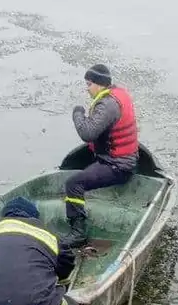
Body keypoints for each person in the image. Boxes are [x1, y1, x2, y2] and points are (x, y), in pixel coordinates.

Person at [62, 63, 139, 248]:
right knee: (82, 173)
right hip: (121, 159)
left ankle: (78, 232)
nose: (87, 89)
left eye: (89, 84)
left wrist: (78, 113)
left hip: (118, 167)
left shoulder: (108, 104)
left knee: (73, 184)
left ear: (99, 84)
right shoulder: (117, 95)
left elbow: (87, 133)